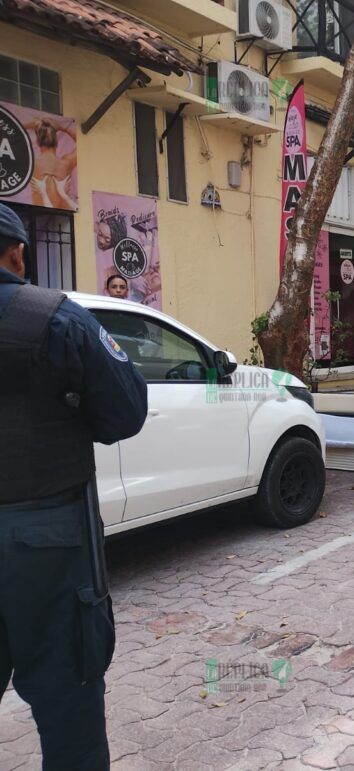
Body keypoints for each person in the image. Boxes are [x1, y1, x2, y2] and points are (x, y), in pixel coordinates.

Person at [0, 202, 148, 769]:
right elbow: (126, 412)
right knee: (70, 721)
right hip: (49, 545)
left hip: (47, 539)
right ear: (18, 254)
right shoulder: (56, 318)